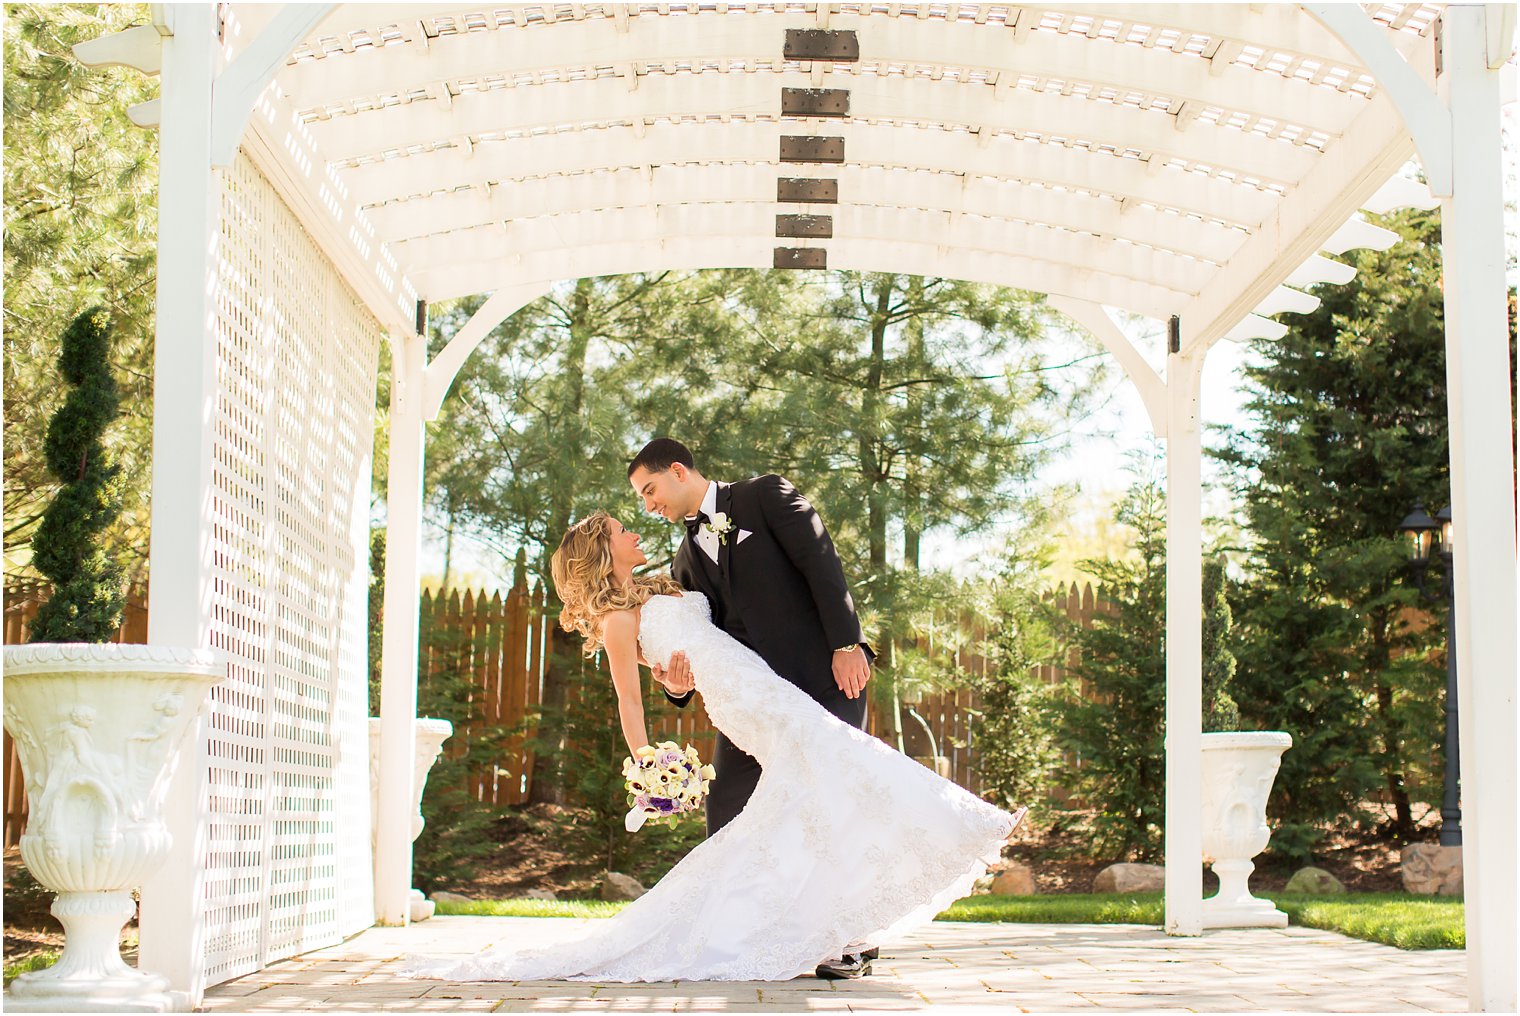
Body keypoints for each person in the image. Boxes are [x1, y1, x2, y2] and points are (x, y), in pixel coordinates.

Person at [403, 511, 1022, 984]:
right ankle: (956, 834)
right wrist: (647, 760)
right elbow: (630, 697)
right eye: (620, 529)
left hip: (757, 684)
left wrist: (676, 676)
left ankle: (832, 925)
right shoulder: (617, 620)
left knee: (817, 792)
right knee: (842, 767)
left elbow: (684, 658)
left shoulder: (653, 589)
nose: (632, 530)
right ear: (602, 549)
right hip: (745, 700)